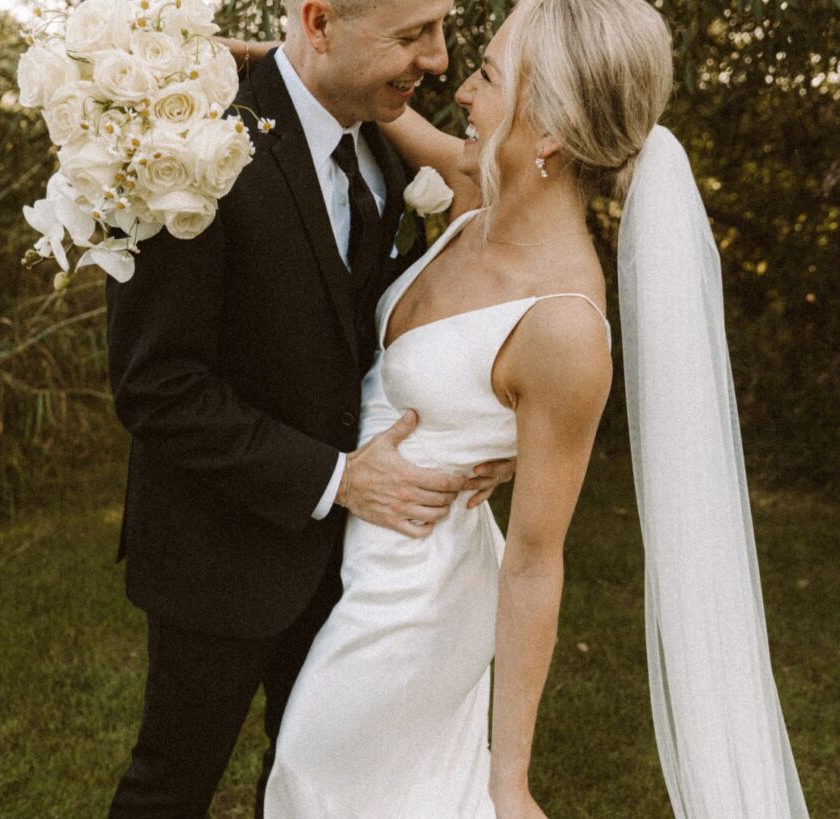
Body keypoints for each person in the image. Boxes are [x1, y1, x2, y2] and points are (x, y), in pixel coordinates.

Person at [257, 0, 810, 816]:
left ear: (547, 129)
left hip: (412, 609)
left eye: (486, 76)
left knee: (312, 774)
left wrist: (509, 776)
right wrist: (259, 62)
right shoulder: (480, 194)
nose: (462, 93)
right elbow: (367, 107)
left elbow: (536, 560)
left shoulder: (562, 328)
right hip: (358, 567)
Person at [104, 0, 517, 815]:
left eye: (440, 30)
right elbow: (157, 384)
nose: (437, 61)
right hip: (215, 555)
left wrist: (472, 430)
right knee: (170, 786)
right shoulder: (185, 146)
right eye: (412, 35)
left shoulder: (383, 137)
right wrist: (337, 478)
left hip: (355, 566)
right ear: (321, 23)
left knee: (308, 782)